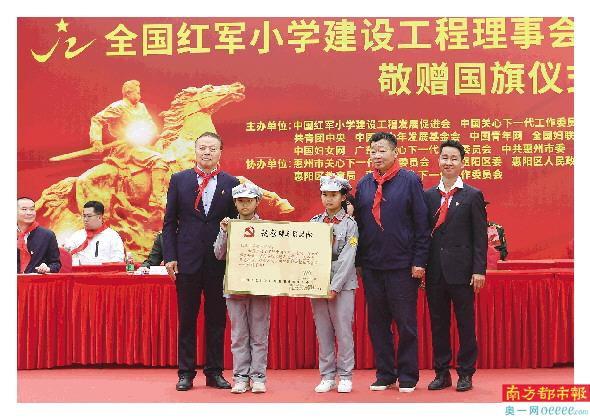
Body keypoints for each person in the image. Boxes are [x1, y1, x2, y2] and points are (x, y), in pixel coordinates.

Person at [352, 131, 430, 393]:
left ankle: (408, 375)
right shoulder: (364, 184)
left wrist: (420, 260)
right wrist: (359, 261)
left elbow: (421, 223)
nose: (377, 155)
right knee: (377, 323)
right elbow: (359, 226)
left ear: (396, 152)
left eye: (382, 150)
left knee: (405, 323)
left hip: (402, 265)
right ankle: (385, 373)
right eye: (373, 151)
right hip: (372, 266)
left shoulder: (410, 180)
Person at [163, 131, 240, 391]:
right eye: (203, 148)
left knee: (216, 319)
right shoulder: (179, 180)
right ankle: (185, 373)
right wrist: (170, 256)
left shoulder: (231, 183)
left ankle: (214, 372)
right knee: (187, 318)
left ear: (220, 153)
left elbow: (237, 223)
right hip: (187, 260)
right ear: (195, 151)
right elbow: (169, 223)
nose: (207, 152)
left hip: (218, 261)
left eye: (212, 148)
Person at [424, 140, 487, 392]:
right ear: (438, 161)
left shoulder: (472, 195)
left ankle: (465, 373)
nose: (448, 162)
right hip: (435, 271)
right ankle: (441, 373)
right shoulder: (428, 196)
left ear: (462, 163)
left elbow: (479, 237)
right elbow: (422, 234)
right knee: (438, 324)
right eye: (444, 158)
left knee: (465, 324)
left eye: (453, 158)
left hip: (462, 272)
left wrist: (479, 270)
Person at [213, 182, 271, 394]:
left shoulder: (267, 228)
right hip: (235, 287)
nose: (244, 205)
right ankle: (240, 377)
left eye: (249, 200)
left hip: (259, 288)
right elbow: (218, 254)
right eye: (240, 201)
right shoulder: (229, 226)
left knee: (259, 335)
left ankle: (258, 377)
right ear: (235, 203)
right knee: (238, 336)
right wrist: (223, 232)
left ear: (257, 202)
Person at [309, 176, 359, 393]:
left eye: (333, 195)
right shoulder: (314, 223)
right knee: (323, 331)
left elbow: (348, 257)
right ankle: (327, 376)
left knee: (343, 330)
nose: (328, 199)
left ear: (343, 197)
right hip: (318, 284)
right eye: (325, 195)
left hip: (343, 285)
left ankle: (346, 376)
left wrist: (335, 286)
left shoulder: (350, 225)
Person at [89, 79, 167, 208]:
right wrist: (96, 140)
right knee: (159, 161)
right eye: (137, 93)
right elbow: (97, 119)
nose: (139, 96)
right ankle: (157, 198)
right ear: (128, 93)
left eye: (139, 93)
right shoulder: (118, 107)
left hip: (143, 144)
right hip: (126, 147)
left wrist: (153, 133)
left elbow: (150, 123)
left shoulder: (141, 107)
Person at [63, 201, 125, 265]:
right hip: (82, 271)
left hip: (105, 270)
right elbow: (65, 253)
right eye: (84, 216)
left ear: (99, 217)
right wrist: (64, 251)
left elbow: (118, 259)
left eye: (89, 216)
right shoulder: (77, 235)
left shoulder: (112, 236)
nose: (85, 219)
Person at [17, 197, 61, 274]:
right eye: (24, 209)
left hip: (36, 280)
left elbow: (56, 264)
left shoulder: (47, 235)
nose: (29, 213)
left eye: (32, 209)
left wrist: (48, 268)